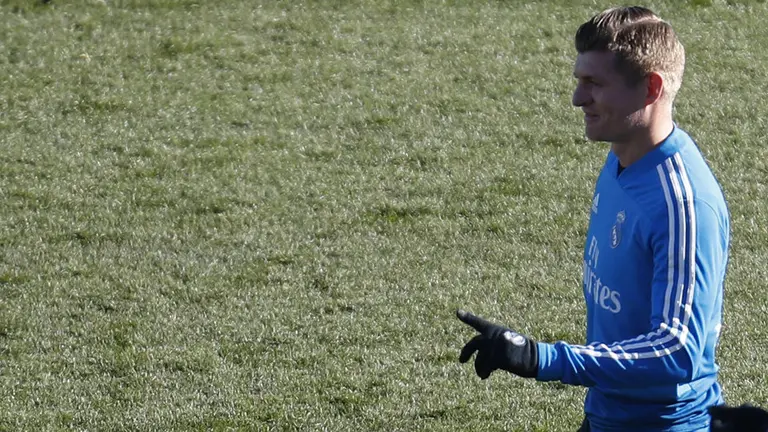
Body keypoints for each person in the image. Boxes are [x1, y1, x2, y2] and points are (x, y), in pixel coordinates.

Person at [455, 6, 731, 432]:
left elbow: (678, 351)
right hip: (608, 414)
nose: (577, 98)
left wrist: (540, 358)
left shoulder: (682, 204)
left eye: (595, 84)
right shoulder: (621, 160)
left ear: (651, 88)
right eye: (578, 80)